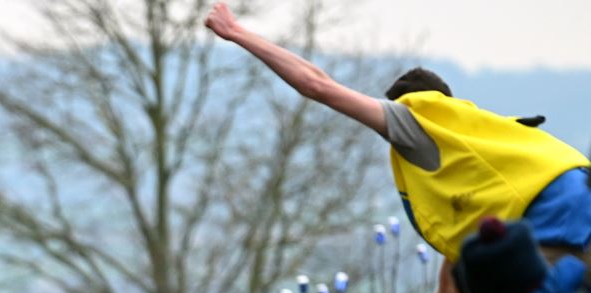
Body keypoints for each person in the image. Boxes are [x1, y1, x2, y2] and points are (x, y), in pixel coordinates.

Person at [204, 3, 591, 267]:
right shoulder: (477, 130)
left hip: (554, 216)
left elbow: (317, 85)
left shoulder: (417, 122)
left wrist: (238, 33)